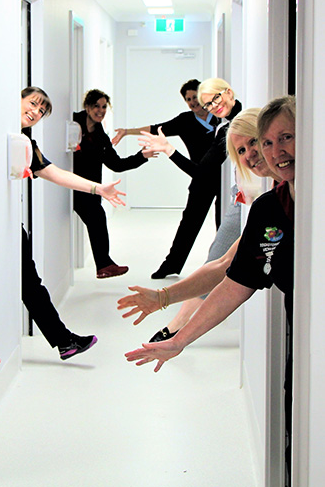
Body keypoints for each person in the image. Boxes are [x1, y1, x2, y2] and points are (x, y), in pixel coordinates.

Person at [125, 95, 296, 485]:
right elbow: (231, 275)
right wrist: (171, 316)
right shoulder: (271, 205)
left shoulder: (296, 196)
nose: (261, 154)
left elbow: (228, 272)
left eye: (270, 140)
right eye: (251, 148)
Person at [117, 108, 282, 342]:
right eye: (241, 151)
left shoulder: (280, 190)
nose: (251, 154)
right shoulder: (201, 125)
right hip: (231, 197)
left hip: (232, 195)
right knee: (216, 257)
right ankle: (176, 325)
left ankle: (176, 327)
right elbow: (225, 268)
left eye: (254, 142)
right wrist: (163, 301)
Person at [20, 87, 126, 359]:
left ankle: (64, 341)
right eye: (32, 104)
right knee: (30, 285)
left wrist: (97, 189)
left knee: (31, 284)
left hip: (9, 224)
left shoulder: (26, 144)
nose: (35, 112)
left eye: (41, 111)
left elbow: (55, 172)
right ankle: (65, 340)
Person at [145, 78, 243, 279]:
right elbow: (200, 172)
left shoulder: (237, 119)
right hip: (208, 180)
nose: (213, 106)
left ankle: (223, 272)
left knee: (222, 229)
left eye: (216, 98)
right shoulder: (220, 127)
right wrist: (165, 148)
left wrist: (168, 150)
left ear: (228, 92)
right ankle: (174, 265)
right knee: (191, 223)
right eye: (208, 103)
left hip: (233, 187)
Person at [112, 79, 221, 240]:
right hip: (200, 177)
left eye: (194, 97)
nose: (192, 102)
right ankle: (171, 265)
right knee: (189, 227)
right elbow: (156, 129)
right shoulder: (185, 121)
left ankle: (224, 257)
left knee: (222, 221)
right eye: (188, 99)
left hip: (223, 177)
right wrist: (127, 132)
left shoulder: (220, 117)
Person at [72, 89, 151, 278]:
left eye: (104, 107)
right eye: (96, 106)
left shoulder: (101, 137)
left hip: (91, 188)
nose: (100, 111)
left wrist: (142, 156)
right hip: (71, 185)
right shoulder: (73, 122)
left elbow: (117, 164)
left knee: (97, 219)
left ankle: (104, 265)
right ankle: (104, 265)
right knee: (97, 218)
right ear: (87, 107)